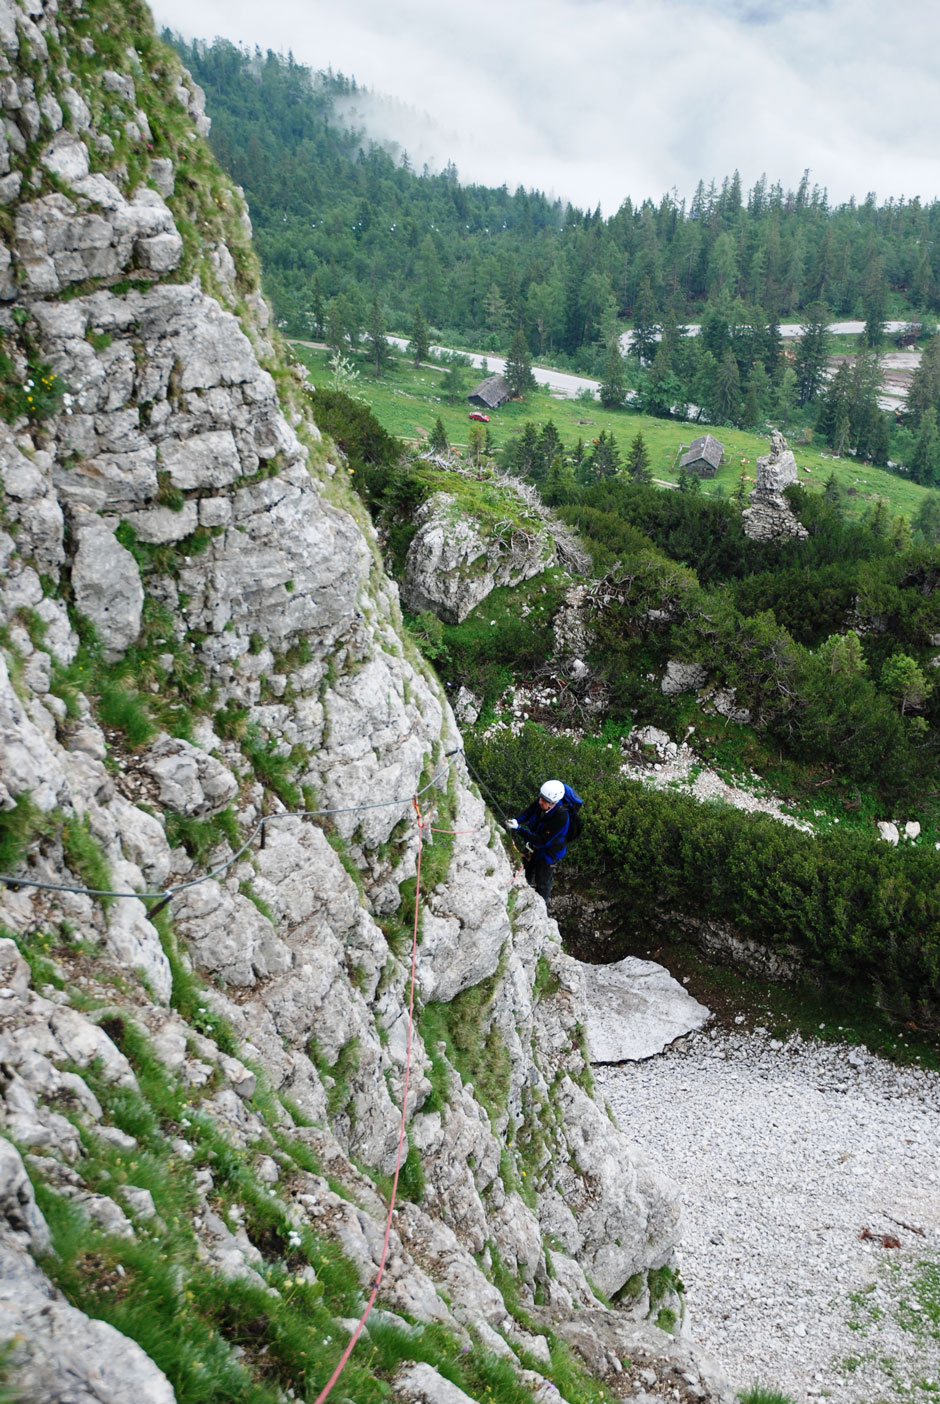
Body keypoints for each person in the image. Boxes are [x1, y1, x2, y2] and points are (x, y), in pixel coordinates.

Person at [507, 779, 572, 905]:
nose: (540, 801)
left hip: (549, 852)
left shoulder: (561, 817)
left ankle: (542, 905)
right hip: (534, 844)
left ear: (553, 803)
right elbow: (528, 812)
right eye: (540, 798)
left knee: (542, 880)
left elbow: (543, 840)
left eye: (544, 801)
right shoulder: (542, 801)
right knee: (526, 870)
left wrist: (519, 829)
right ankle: (522, 893)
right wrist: (516, 821)